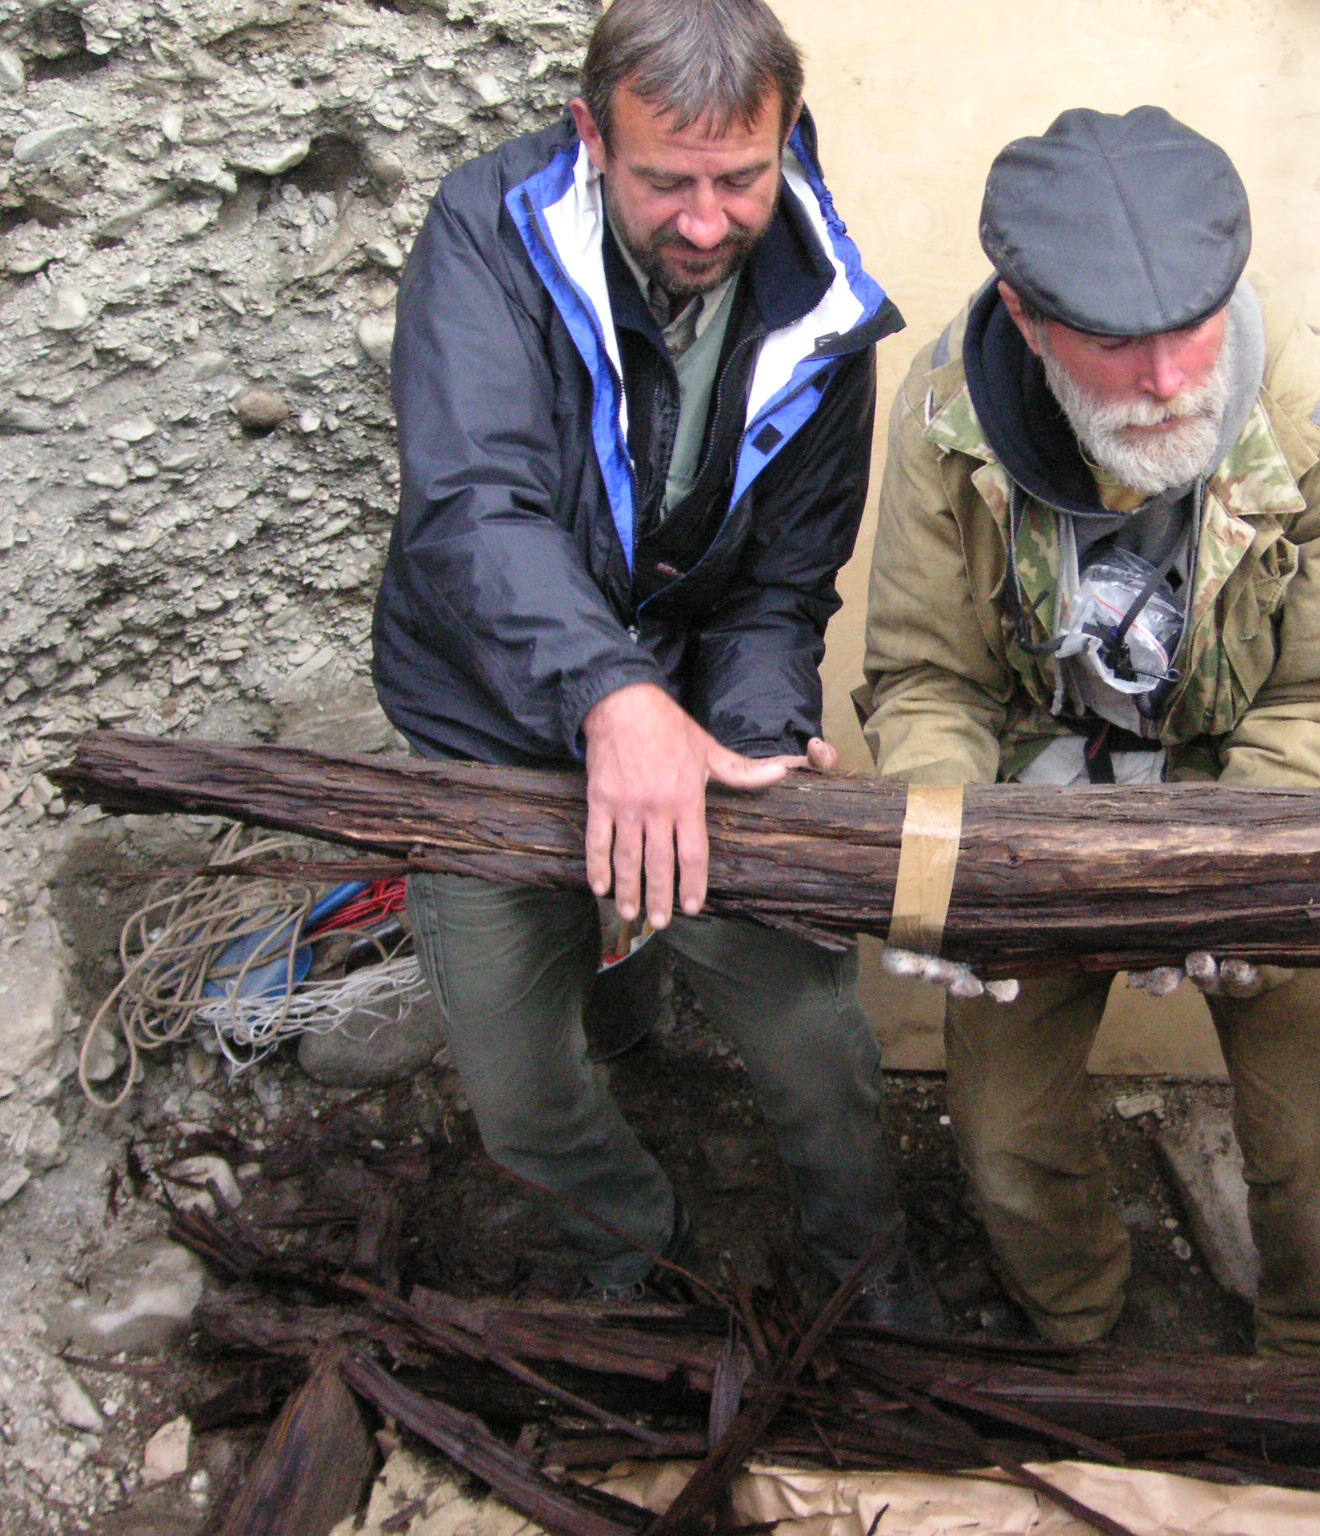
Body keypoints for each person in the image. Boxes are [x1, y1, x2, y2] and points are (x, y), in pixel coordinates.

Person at [373, 0, 939, 1327]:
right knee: (517, 1081)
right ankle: (631, 1242)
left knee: (815, 1032)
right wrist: (611, 697)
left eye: (740, 179)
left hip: (685, 710)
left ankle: (860, 1261)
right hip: (487, 713)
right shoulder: (488, 235)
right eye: (664, 183)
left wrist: (749, 725)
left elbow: (782, 585)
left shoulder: (823, 301)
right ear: (590, 139)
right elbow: (476, 509)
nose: (705, 221)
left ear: (785, 139)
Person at [857, 106, 1320, 1355]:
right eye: (1118, 349)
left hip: (1275, 780)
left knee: (1308, 1132)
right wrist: (946, 861)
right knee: (1004, 1128)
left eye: (1190, 330)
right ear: (1024, 317)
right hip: (1043, 782)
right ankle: (1079, 1339)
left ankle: (1313, 1357)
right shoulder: (940, 417)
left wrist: (1228, 874)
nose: (1170, 378)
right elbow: (926, 678)